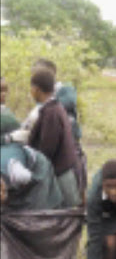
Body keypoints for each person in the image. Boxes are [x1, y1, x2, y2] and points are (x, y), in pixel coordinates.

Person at [26, 69, 81, 208]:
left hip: (61, 175)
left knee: (65, 217)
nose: (31, 92)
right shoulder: (55, 108)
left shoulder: (51, 113)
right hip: (62, 170)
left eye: (31, 88)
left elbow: (47, 149)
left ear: (37, 89)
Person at [0, 143, 63, 211]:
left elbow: (27, 181)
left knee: (36, 208)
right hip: (13, 167)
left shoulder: (18, 173)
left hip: (36, 169)